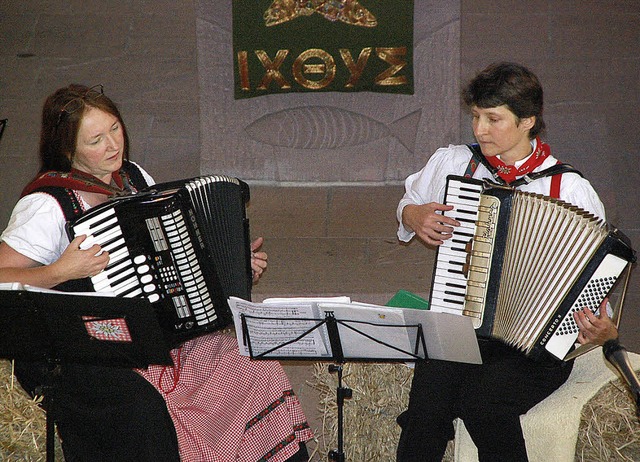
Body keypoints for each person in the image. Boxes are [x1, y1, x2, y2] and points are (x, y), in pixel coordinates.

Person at [0, 84, 313, 462]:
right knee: (148, 411)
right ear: (68, 150)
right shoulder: (46, 205)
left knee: (249, 364)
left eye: (115, 129)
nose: (113, 145)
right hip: (83, 349)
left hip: (152, 333)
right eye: (95, 140)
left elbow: (173, 260)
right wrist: (59, 270)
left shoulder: (132, 178)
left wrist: (228, 268)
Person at [395, 62, 619, 462]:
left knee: (484, 401)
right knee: (427, 400)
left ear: (528, 121)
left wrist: (599, 326)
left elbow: (596, 277)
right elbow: (408, 204)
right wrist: (415, 216)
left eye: (493, 119)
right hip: (462, 324)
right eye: (476, 117)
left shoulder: (569, 188)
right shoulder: (454, 164)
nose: (480, 130)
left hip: (538, 346)